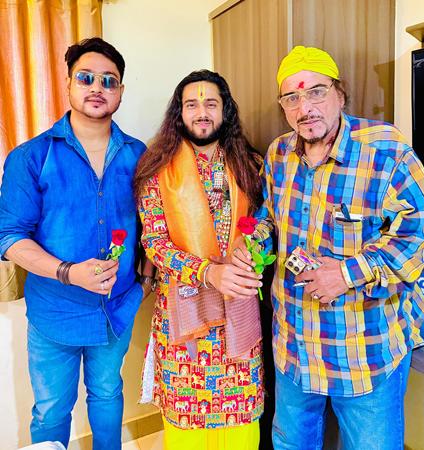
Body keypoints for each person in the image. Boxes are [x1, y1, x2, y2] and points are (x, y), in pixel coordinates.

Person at [232, 45, 424, 450]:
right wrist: (251, 242)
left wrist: (346, 273)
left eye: (316, 92)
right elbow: (269, 218)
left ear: (340, 94)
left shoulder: (386, 150)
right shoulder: (278, 153)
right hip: (293, 343)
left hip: (364, 349)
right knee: (290, 444)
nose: (305, 108)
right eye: (291, 98)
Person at [0, 37, 147, 449]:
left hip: (116, 309)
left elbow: (154, 224)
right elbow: (9, 236)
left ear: (120, 90)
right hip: (55, 311)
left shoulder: (139, 154)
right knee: (50, 410)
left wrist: (148, 277)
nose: (97, 87)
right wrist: (68, 272)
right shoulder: (32, 156)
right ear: (68, 84)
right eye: (86, 78)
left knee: (108, 395)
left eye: (109, 80)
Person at [134, 70, 264, 450]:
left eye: (211, 103)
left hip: (238, 318)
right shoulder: (157, 169)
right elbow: (155, 243)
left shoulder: (250, 164)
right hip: (184, 325)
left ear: (226, 110)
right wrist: (209, 273)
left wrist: (254, 245)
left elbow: (266, 222)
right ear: (180, 112)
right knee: (187, 430)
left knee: (241, 429)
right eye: (192, 104)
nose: (202, 112)